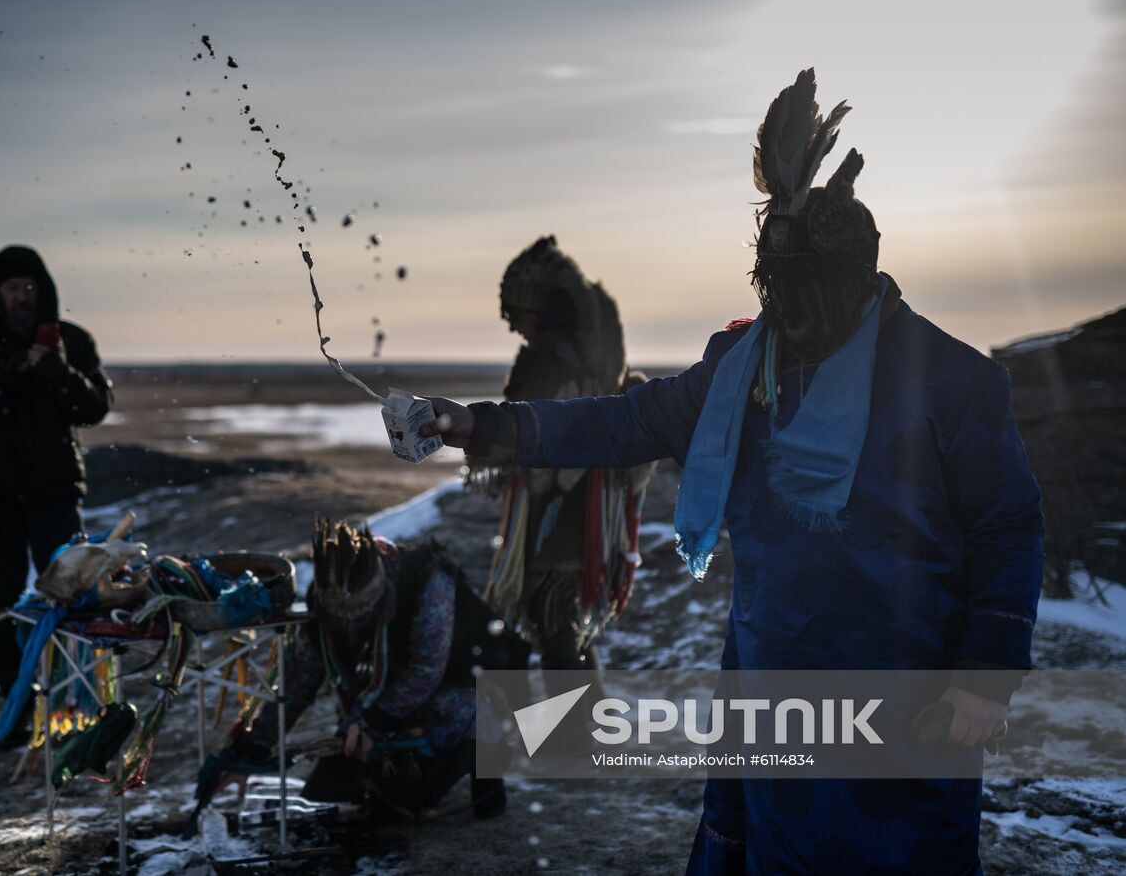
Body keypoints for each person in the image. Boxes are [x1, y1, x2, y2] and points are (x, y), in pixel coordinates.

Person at [422, 69, 1043, 874]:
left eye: (808, 295)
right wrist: (481, 425)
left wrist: (986, 675)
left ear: (859, 278)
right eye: (778, 295)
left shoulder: (951, 379)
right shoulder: (743, 367)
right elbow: (626, 420)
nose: (792, 317)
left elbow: (1008, 523)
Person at [195, 519, 521, 823]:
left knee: (426, 765)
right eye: (342, 618)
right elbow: (299, 680)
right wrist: (251, 749)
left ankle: (481, 763)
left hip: (466, 682)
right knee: (348, 791)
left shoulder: (427, 581)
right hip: (389, 693)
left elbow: (425, 671)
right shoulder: (326, 601)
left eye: (360, 614)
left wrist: (370, 723)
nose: (349, 624)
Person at [476, 237, 654, 687]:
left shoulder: (576, 366)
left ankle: (568, 744)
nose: (516, 328)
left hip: (574, 514)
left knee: (556, 626)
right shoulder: (552, 361)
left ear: (545, 311)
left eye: (520, 316)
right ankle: (572, 740)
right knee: (556, 629)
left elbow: (552, 434)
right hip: (550, 510)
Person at [0, 244, 112, 697]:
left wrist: (59, 372)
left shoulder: (71, 340)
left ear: (44, 290)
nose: (22, 296)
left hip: (55, 494)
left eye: (29, 287)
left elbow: (94, 409)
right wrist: (6, 375)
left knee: (73, 599)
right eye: (12, 288)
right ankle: (17, 701)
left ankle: (78, 699)